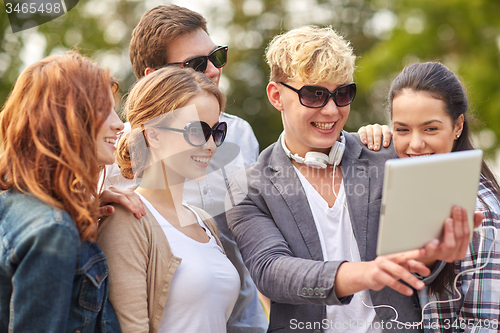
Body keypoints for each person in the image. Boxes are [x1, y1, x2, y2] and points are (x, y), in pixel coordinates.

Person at [226, 26, 481, 333]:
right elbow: (271, 273)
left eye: (342, 93)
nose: (332, 110)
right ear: (276, 95)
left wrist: (433, 254)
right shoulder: (246, 187)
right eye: (314, 95)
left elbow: (419, 268)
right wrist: (365, 273)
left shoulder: (389, 155)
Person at [103, 5, 268, 330]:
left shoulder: (239, 137)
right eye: (194, 64)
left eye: (216, 57)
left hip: (244, 322)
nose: (212, 71)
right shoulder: (110, 163)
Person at [97, 66, 241, 333]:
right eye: (197, 131)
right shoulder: (127, 219)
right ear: (154, 134)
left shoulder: (204, 222)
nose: (210, 145)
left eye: (216, 131)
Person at [363, 62, 500, 332]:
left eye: (430, 129)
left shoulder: (478, 212)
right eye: (402, 130)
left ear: (458, 125)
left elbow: (483, 325)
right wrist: (367, 141)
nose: (415, 144)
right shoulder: (414, 189)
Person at [0, 52, 128, 332]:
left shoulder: (13, 202)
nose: (119, 124)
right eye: (103, 110)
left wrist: (82, 208)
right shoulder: (53, 231)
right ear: (65, 118)